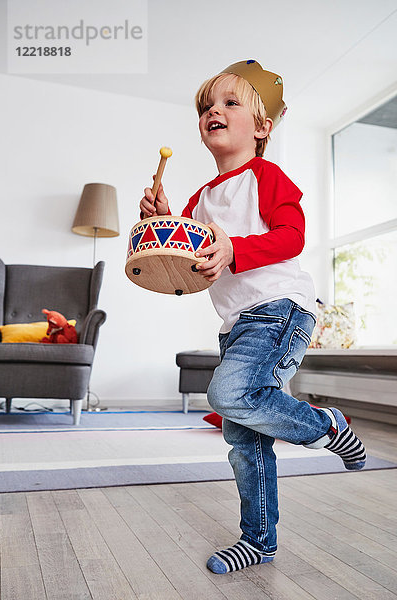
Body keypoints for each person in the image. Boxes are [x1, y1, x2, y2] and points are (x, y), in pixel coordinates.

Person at [140, 60, 366, 574]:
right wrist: (159, 219)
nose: (212, 111)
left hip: (280, 307)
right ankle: (258, 541)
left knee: (228, 395)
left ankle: (325, 425)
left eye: (229, 103)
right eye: (206, 106)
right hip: (236, 322)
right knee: (243, 436)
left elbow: (293, 236)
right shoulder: (198, 201)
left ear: (262, 128)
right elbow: (184, 261)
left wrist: (234, 250)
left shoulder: (266, 176)